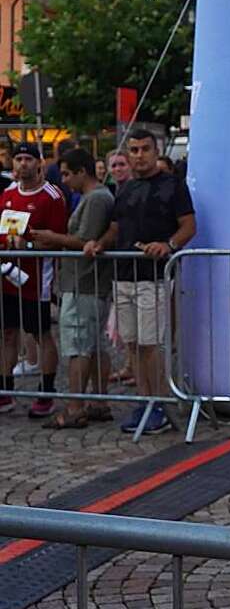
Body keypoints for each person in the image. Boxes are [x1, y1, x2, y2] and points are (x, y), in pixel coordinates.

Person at [84, 129, 196, 435]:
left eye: (144, 149)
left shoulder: (173, 186)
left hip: (153, 278)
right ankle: (144, 401)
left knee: (150, 345)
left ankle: (159, 405)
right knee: (131, 345)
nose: (139, 155)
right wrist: (100, 243)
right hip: (124, 277)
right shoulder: (125, 189)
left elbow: (189, 226)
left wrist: (168, 245)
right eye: (133, 150)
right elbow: (117, 228)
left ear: (155, 151)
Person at [31, 148, 115, 429]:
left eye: (67, 173)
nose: (64, 180)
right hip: (86, 283)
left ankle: (76, 406)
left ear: (82, 172)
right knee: (92, 343)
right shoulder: (94, 198)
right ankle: (97, 401)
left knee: (78, 345)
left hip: (84, 282)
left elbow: (85, 239)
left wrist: (53, 237)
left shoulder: (96, 199)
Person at [0, 143, 67, 418]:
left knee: (40, 333)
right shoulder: (6, 194)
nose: (23, 164)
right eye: (19, 159)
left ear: (39, 163)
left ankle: (47, 390)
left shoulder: (51, 197)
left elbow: (59, 238)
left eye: (28, 158)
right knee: (7, 333)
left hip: (37, 278)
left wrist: (28, 243)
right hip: (7, 276)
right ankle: (5, 390)